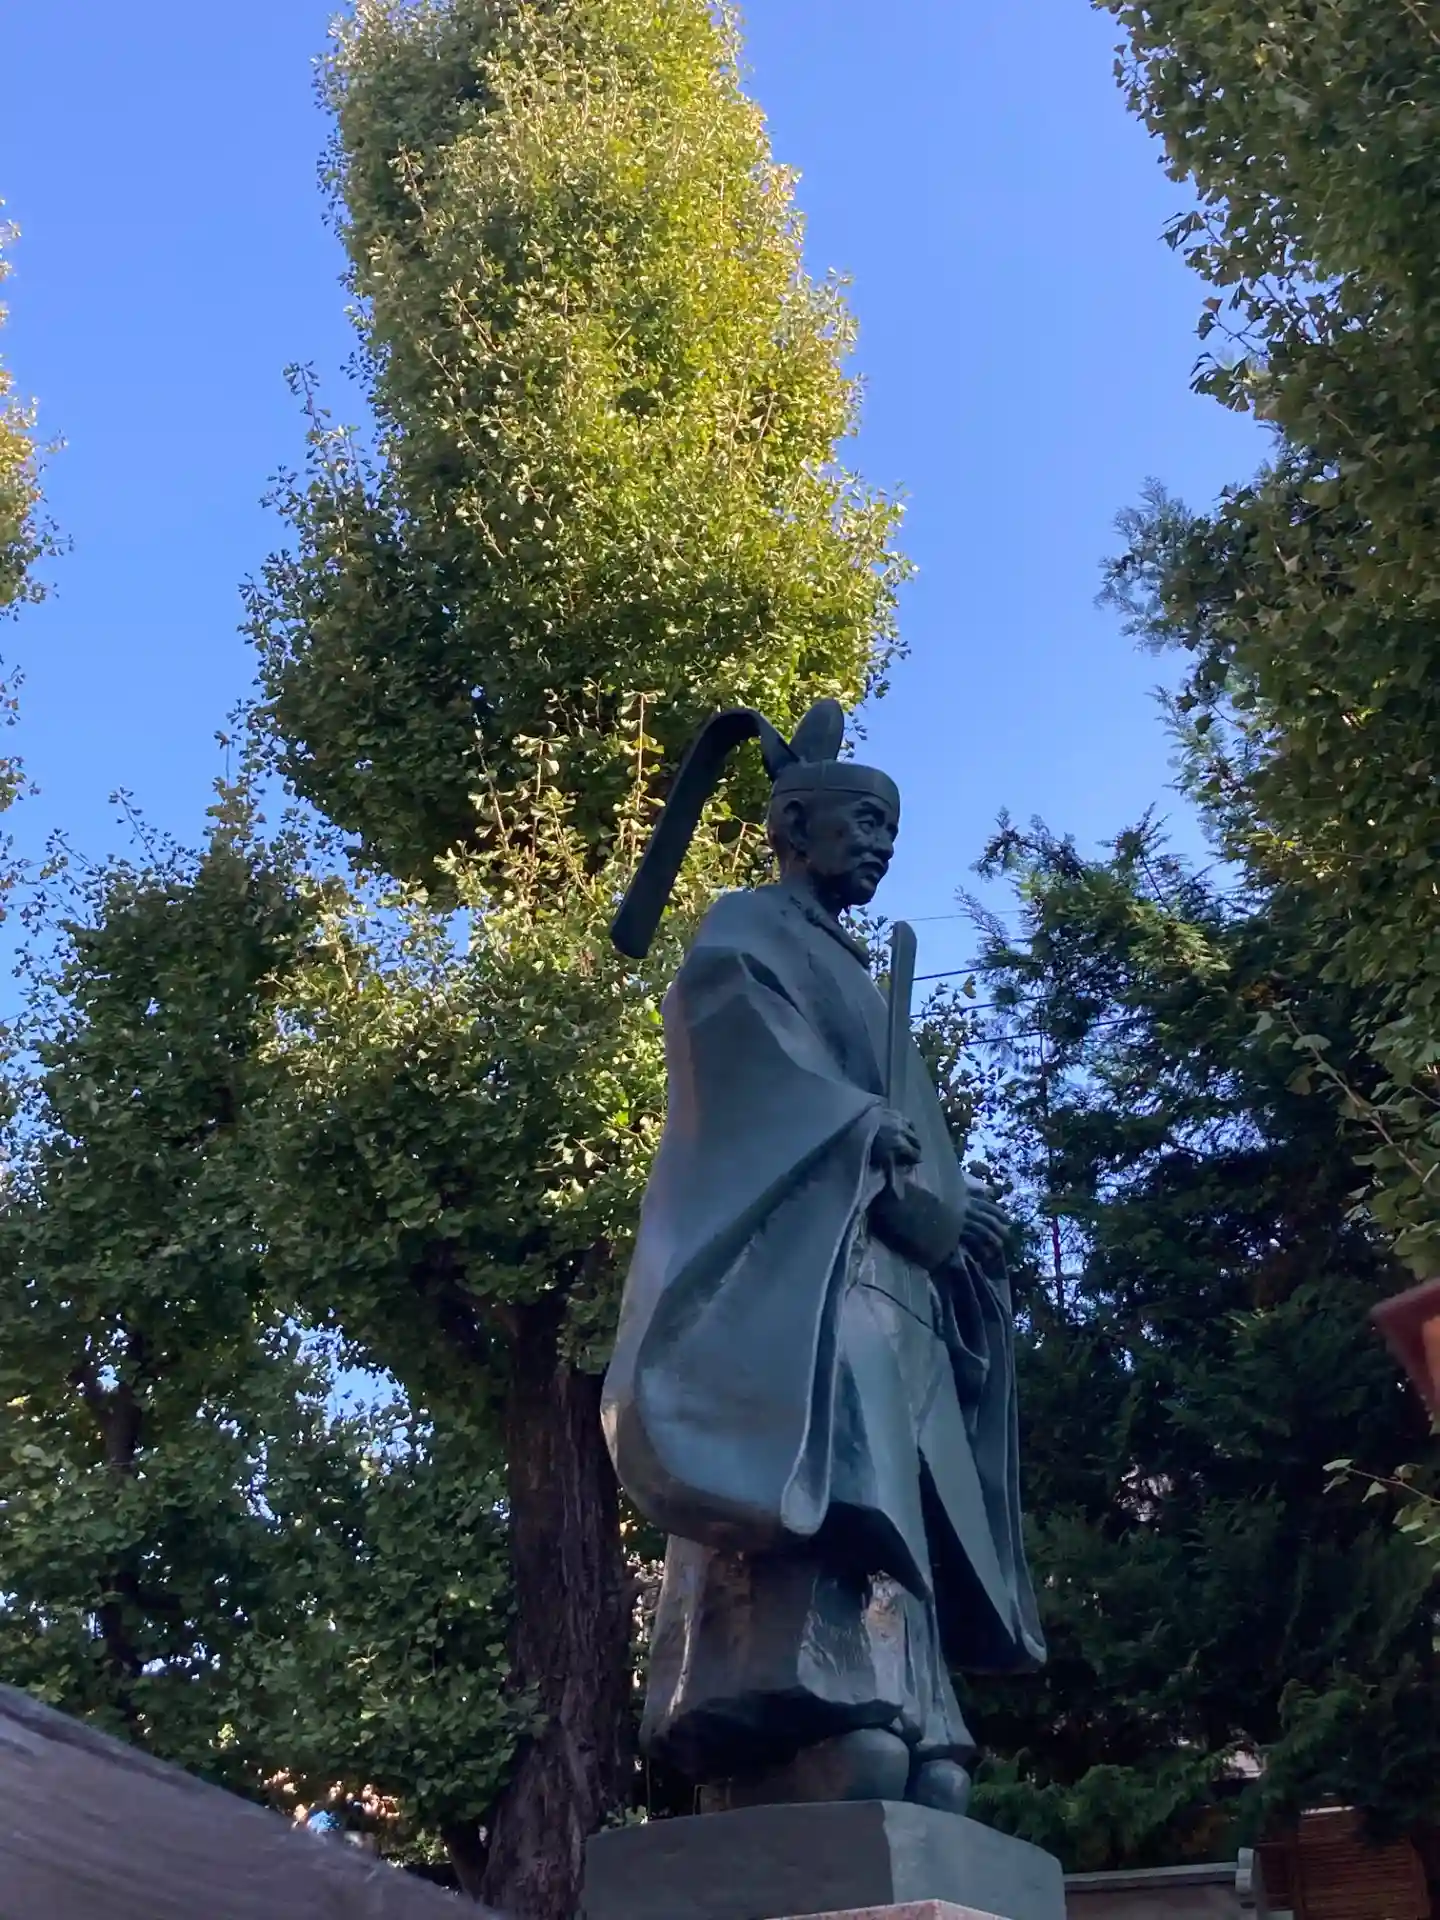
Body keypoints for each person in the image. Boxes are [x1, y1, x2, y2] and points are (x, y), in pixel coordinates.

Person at [603, 700, 1044, 1812]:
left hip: (895, 1284)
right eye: (864, 822)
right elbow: (735, 1047)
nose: (882, 846)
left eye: (891, 828)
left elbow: (916, 1146)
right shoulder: (745, 931)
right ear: (795, 826)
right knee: (825, 1473)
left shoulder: (854, 964)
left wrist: (955, 1216)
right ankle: (800, 1706)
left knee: (907, 1504)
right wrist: (852, 1131)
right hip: (809, 1279)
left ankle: (915, 1706)